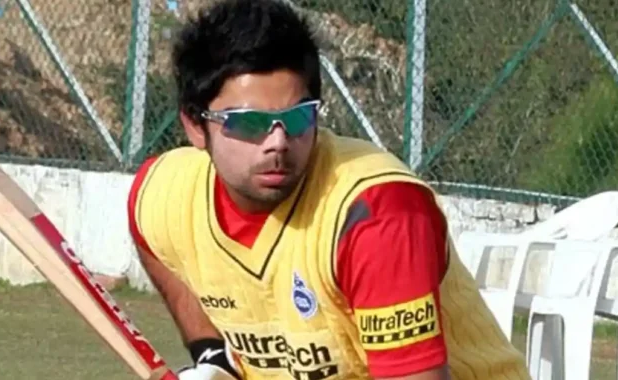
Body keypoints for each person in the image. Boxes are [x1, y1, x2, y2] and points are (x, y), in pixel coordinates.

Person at [126, 0, 531, 378]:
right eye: (249, 122)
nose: (278, 142)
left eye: (298, 117)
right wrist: (213, 357)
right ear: (195, 126)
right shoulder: (168, 194)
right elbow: (147, 229)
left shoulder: (376, 214)